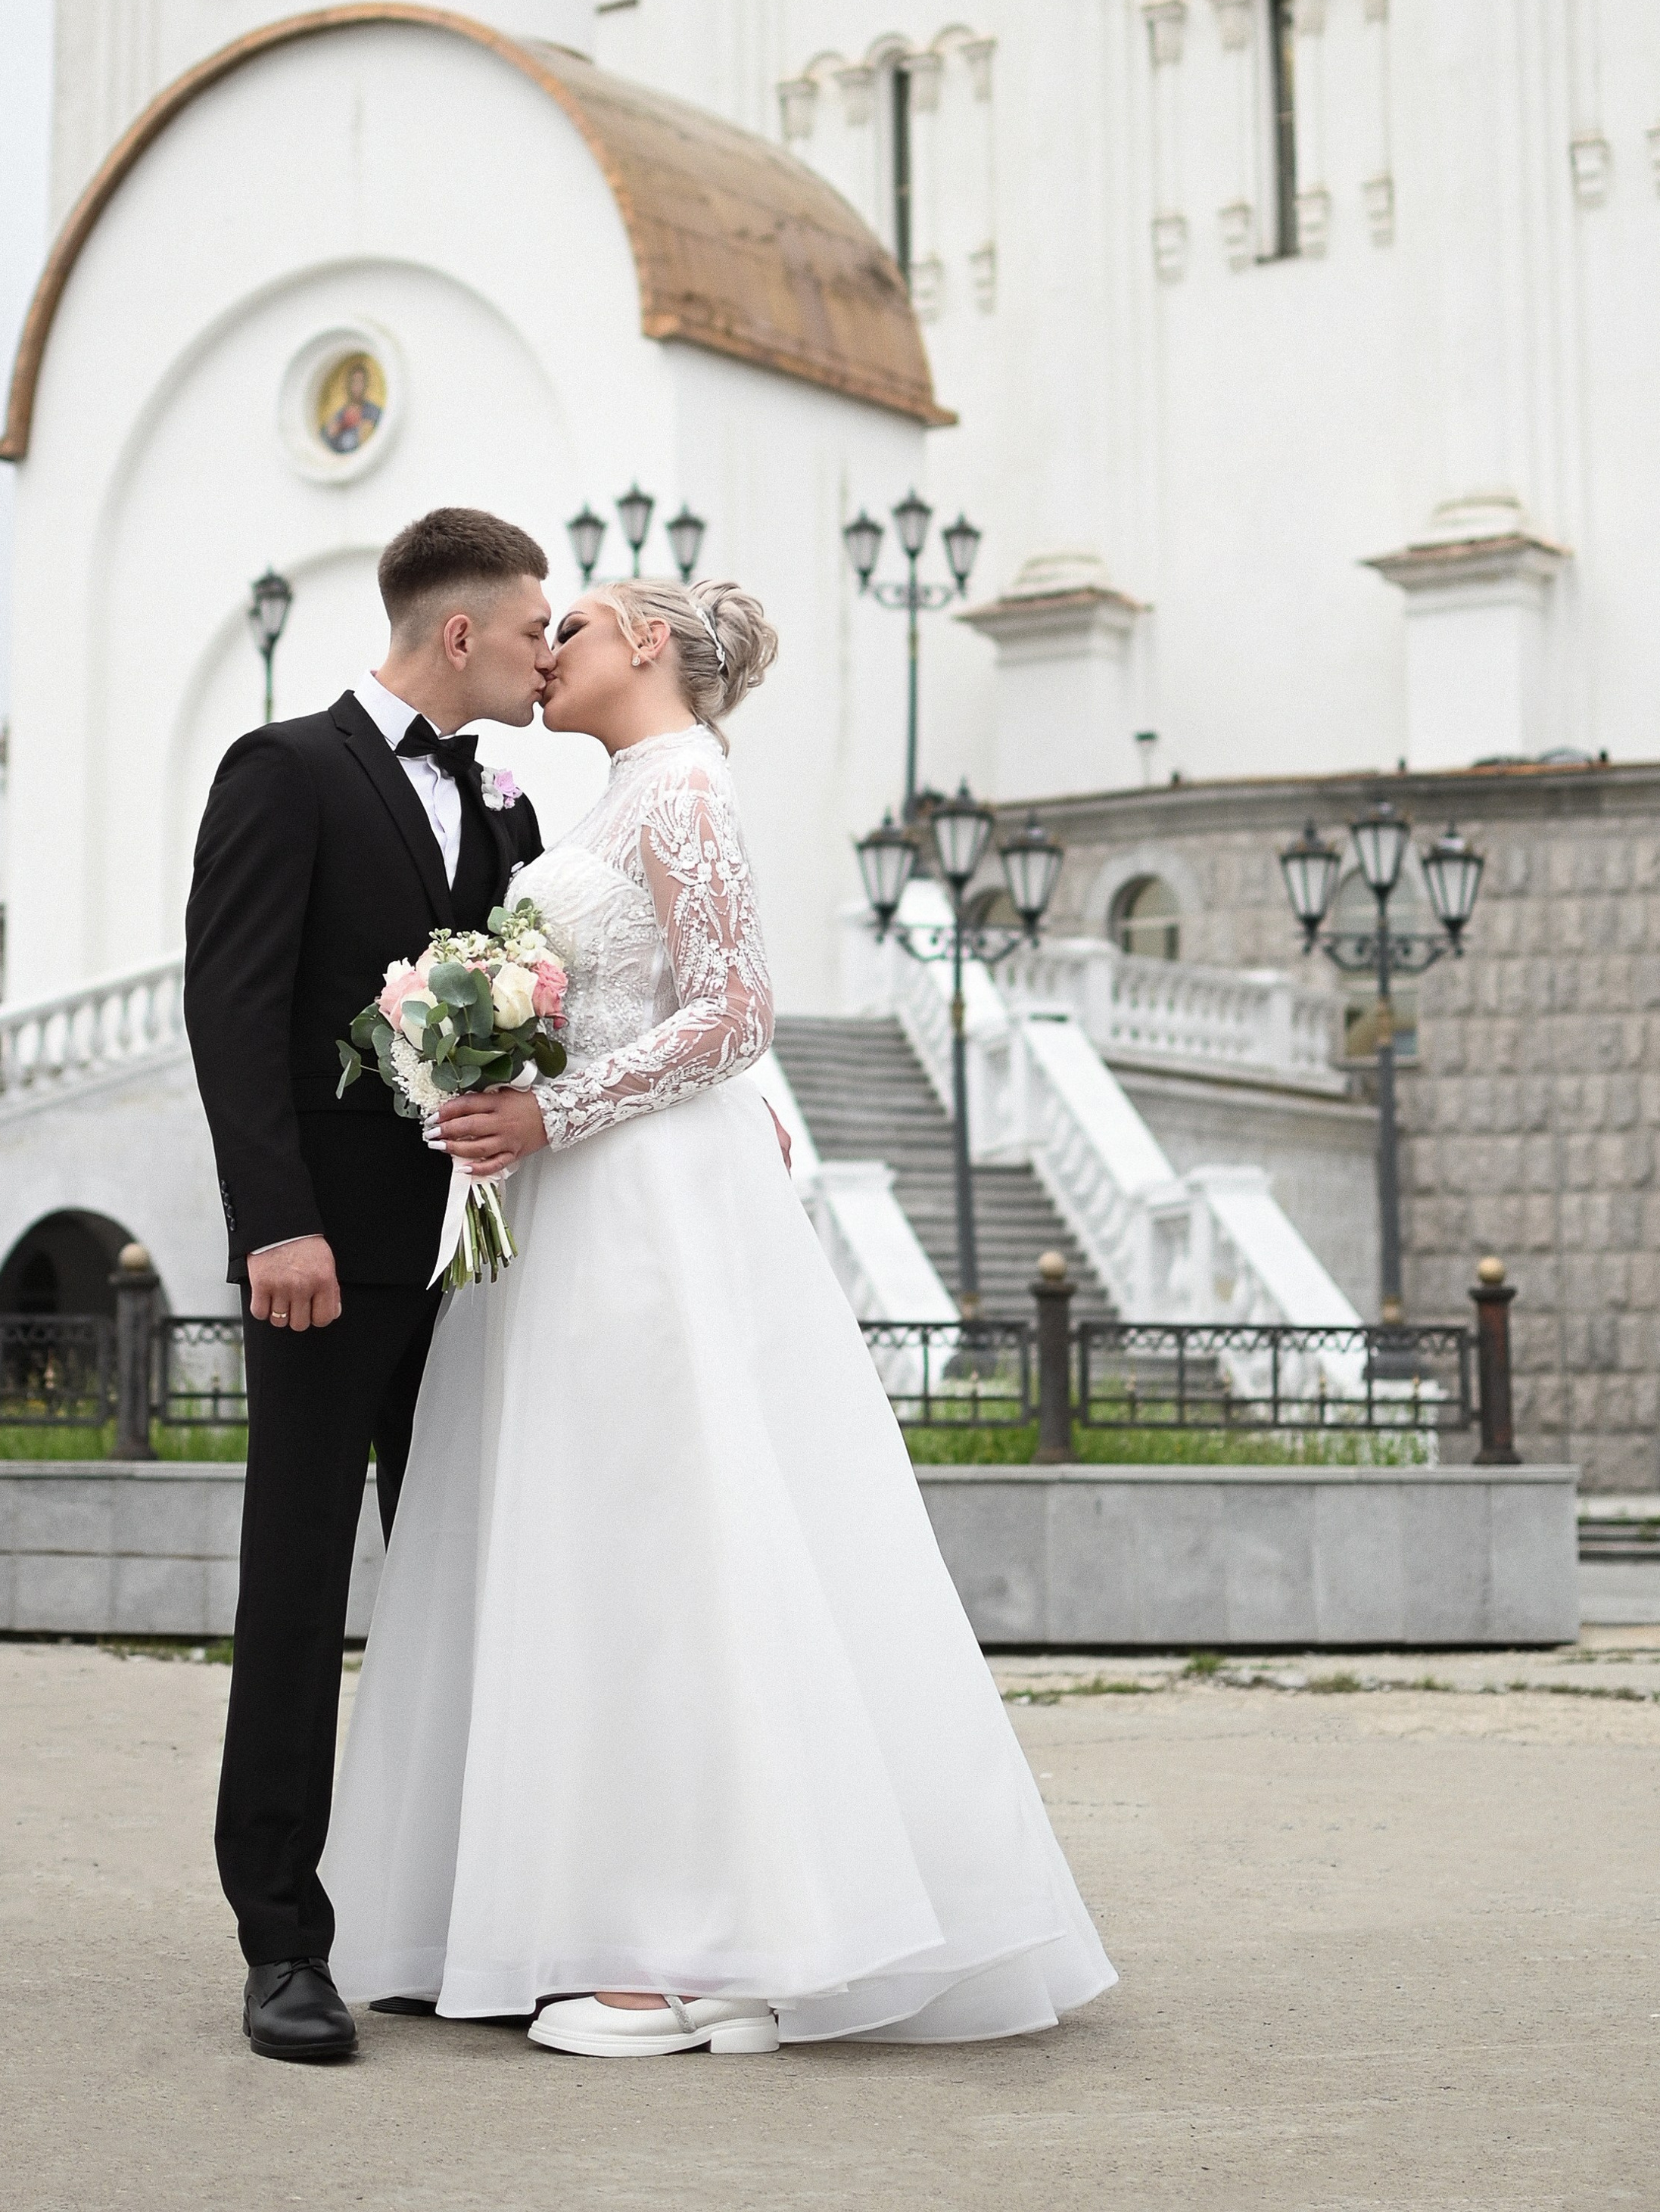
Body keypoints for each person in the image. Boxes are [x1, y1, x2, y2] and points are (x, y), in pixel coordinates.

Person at [321, 576, 1117, 2055]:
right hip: (583, 1206)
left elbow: (736, 1007)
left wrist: (549, 1108)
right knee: (601, 1547)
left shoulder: (682, 784)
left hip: (642, 1207)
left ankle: (705, 1945)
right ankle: (639, 1917)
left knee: (669, 1538)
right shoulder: (615, 797)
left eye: (578, 624)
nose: (547, 648)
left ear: (645, 646)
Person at [183, 507, 551, 2061]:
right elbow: (236, 1009)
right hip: (325, 1267)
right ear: (455, 632)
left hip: (479, 1263)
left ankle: (452, 1911)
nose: (551, 650)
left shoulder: (509, 804)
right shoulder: (284, 772)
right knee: (297, 1588)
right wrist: (277, 1223)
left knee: (470, 1583)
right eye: (535, 626)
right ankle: (281, 1938)